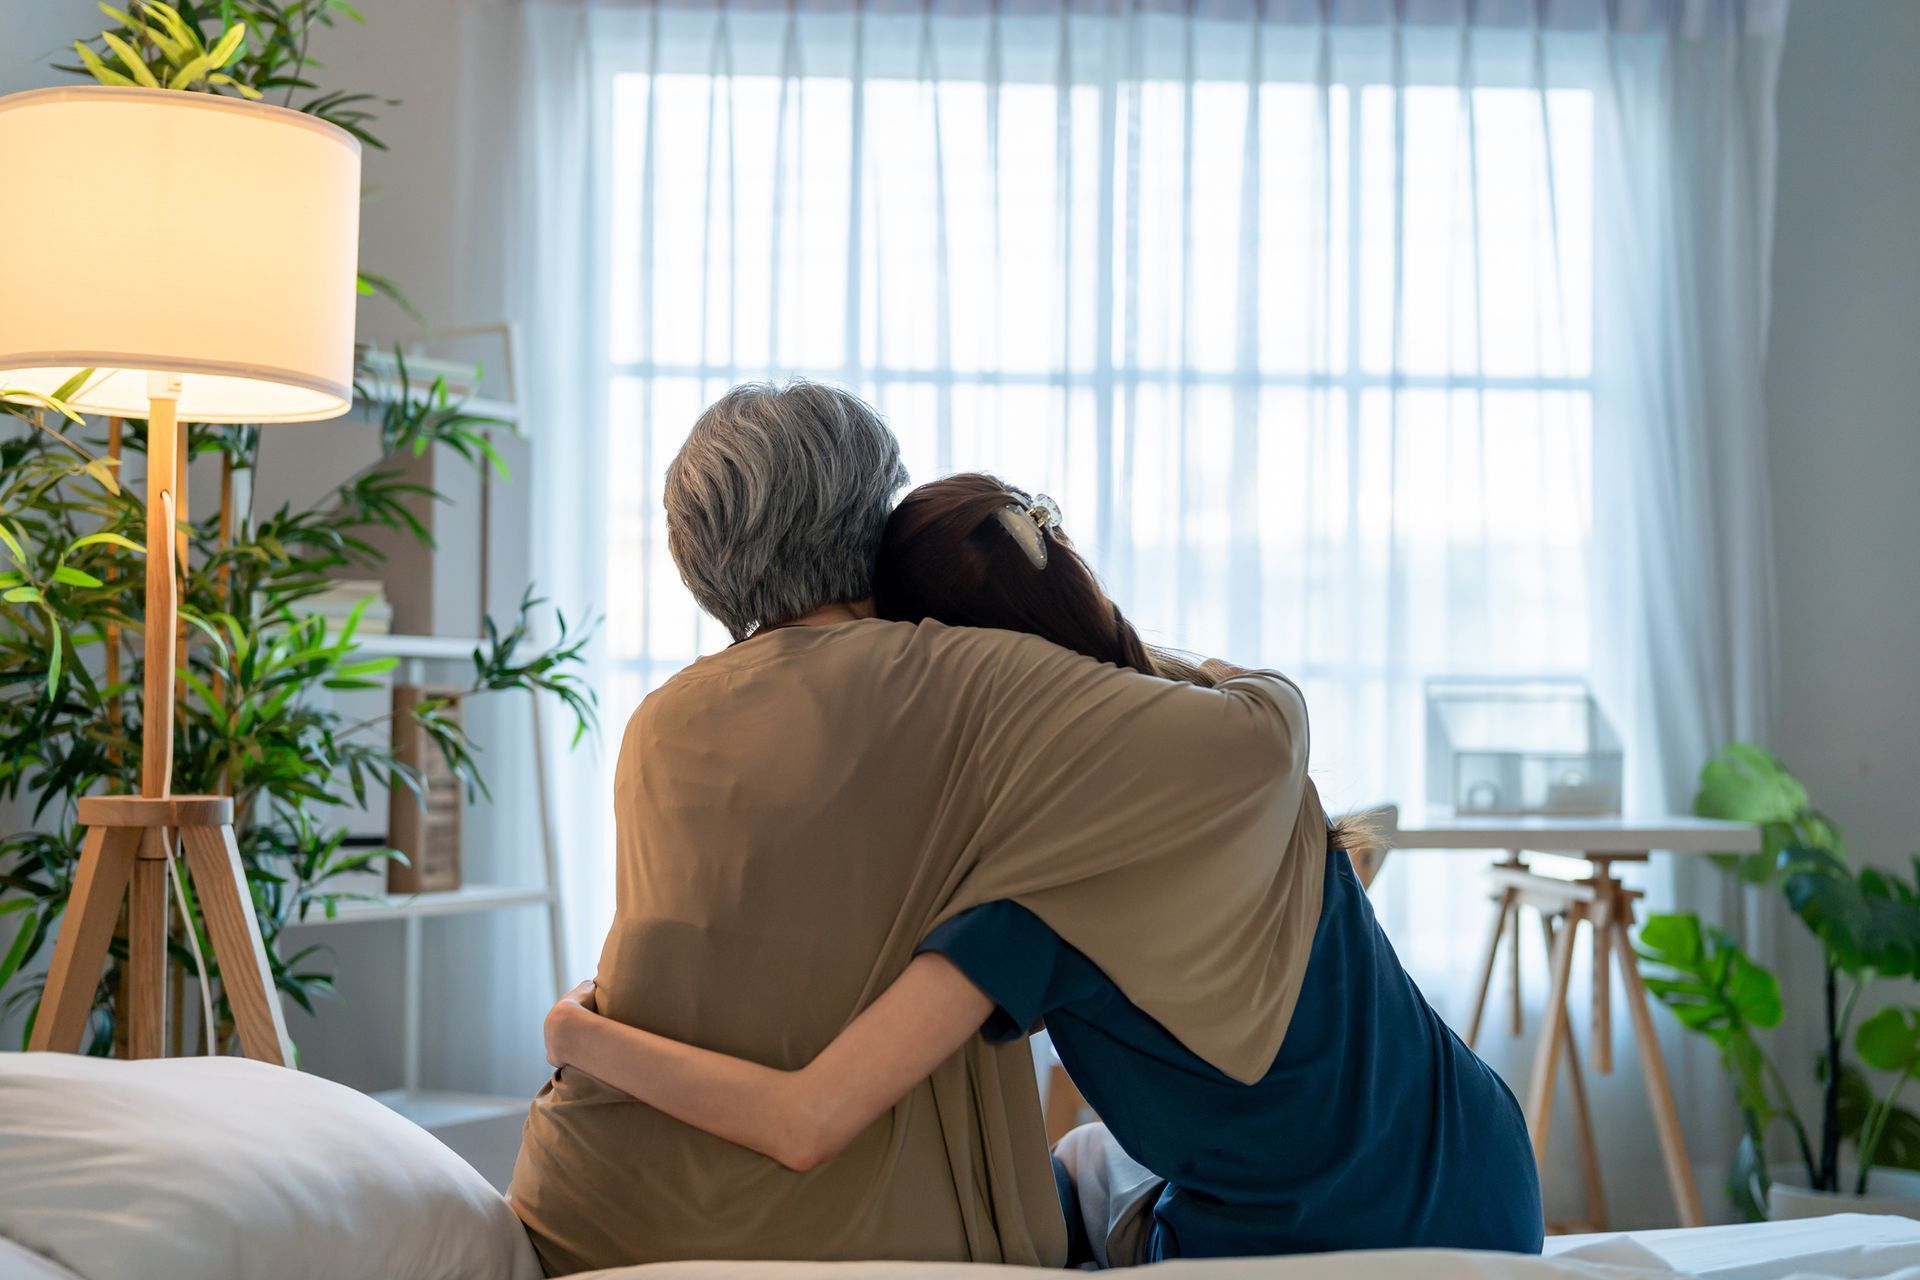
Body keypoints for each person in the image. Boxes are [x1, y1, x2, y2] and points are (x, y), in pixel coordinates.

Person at [540, 471, 1544, 1264]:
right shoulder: (1240, 735)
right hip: (1490, 1171)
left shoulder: (1025, 898)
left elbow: (807, 1119)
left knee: (1057, 1205)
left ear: (953, 669)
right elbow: (1226, 687)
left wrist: (579, 1034)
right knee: (1090, 1159)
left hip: (1318, 1238)